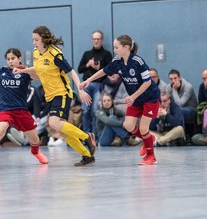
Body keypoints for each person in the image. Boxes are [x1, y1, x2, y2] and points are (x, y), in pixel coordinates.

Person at [13, 26, 96, 166]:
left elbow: (72, 72)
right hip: (50, 95)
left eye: (36, 39)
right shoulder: (36, 53)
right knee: (62, 131)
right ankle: (87, 156)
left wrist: (80, 88)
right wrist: (25, 71)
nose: (34, 42)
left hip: (62, 93)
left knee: (53, 123)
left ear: (44, 39)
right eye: (33, 39)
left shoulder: (55, 54)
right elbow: (39, 72)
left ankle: (87, 136)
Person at [80, 35, 160, 165]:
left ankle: (151, 156)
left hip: (149, 97)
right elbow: (104, 71)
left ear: (126, 47)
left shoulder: (138, 62)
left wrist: (133, 97)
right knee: (128, 125)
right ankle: (150, 139)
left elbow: (147, 83)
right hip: (135, 99)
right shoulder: (117, 60)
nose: (114, 50)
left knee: (144, 128)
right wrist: (89, 80)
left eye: (116, 47)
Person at [77, 30, 112, 134]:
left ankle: (95, 135)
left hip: (99, 85)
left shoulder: (107, 54)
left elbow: (110, 71)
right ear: (92, 40)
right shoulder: (87, 54)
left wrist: (98, 67)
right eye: (94, 39)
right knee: (86, 111)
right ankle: (86, 135)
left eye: (98, 39)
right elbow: (79, 69)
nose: (96, 41)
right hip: (87, 86)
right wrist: (88, 65)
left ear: (102, 40)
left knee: (95, 110)